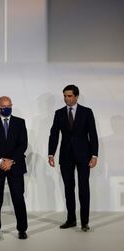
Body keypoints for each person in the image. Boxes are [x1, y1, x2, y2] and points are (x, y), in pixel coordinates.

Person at [48, 84, 98, 232]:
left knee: (83, 189)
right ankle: (71, 219)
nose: (66, 98)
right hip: (66, 156)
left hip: (84, 156)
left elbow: (93, 135)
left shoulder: (87, 112)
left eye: (69, 96)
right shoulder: (59, 113)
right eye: (64, 96)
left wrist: (94, 155)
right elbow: (54, 134)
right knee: (68, 189)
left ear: (76, 96)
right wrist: (51, 153)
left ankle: (84, 222)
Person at [0, 96, 28, 240]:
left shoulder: (20, 123)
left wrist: (11, 161)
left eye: (9, 105)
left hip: (15, 166)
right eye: (3, 106)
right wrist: (0, 161)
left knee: (18, 198)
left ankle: (22, 229)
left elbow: (23, 144)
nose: (6, 108)